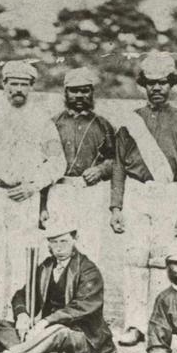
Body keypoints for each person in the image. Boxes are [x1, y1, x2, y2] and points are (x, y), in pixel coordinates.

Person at [110, 52, 177, 346]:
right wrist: (116, 206)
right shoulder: (130, 121)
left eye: (163, 83)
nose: (157, 89)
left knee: (164, 262)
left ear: (171, 84)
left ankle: (159, 325)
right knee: (135, 260)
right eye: (151, 83)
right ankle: (134, 324)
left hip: (169, 193)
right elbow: (120, 165)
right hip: (138, 191)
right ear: (144, 85)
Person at [0, 60, 66, 317]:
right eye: (13, 83)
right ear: (4, 84)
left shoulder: (41, 120)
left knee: (21, 255)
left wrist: (33, 186)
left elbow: (58, 162)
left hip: (23, 196)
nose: (18, 89)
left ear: (31, 87)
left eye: (24, 84)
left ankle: (20, 315)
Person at [0, 215, 116, 353]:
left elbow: (82, 306)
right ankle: (43, 352)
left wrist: (45, 322)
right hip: (44, 332)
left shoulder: (88, 270)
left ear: (75, 238)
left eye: (63, 241)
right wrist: (22, 315)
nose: (58, 247)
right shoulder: (47, 266)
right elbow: (23, 294)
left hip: (84, 336)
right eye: (53, 241)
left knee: (58, 331)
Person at [40, 66, 115, 264]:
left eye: (85, 90)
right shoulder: (52, 123)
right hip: (58, 191)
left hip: (89, 192)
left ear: (92, 92)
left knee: (90, 245)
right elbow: (40, 164)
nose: (79, 95)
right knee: (58, 245)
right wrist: (42, 206)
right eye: (74, 90)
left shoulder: (103, 125)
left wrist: (101, 169)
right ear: (65, 92)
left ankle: (86, 293)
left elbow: (118, 160)